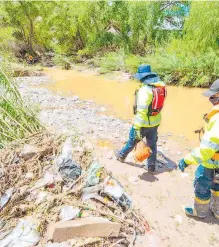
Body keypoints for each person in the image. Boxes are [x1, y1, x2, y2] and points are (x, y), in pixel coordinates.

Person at [179, 79, 219, 219]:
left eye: (213, 96)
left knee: (202, 183)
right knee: (217, 186)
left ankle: (200, 212)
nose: (210, 99)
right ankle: (217, 211)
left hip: (212, 162)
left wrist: (187, 160)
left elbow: (207, 149)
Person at [115, 64, 166, 174]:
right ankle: (151, 167)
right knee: (152, 144)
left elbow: (141, 111)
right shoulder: (160, 88)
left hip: (143, 124)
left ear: (142, 77)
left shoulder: (145, 90)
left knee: (132, 142)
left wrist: (137, 127)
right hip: (155, 122)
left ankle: (121, 156)